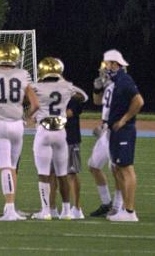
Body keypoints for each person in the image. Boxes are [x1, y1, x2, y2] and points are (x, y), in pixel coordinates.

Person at [0, 42, 39, 221]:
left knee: (4, 166)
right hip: (17, 125)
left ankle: (10, 210)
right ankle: (10, 206)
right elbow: (35, 104)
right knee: (12, 167)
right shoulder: (23, 74)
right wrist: (26, 118)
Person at [28, 57, 87, 219]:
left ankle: (46, 210)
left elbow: (26, 100)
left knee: (43, 173)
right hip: (61, 132)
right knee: (62, 173)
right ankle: (67, 211)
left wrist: (29, 116)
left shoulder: (35, 86)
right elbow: (84, 97)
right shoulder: (67, 86)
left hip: (43, 129)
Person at [102, 49, 143, 222]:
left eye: (108, 64)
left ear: (115, 64)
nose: (105, 68)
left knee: (126, 168)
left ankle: (130, 210)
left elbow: (139, 101)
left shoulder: (125, 80)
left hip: (124, 130)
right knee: (118, 168)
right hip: (116, 130)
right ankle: (125, 209)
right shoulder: (118, 80)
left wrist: (124, 119)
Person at [87, 61, 118, 217]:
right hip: (106, 130)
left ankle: (119, 206)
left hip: (115, 131)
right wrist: (97, 88)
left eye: (104, 71)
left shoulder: (121, 86)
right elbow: (97, 101)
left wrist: (110, 125)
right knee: (93, 165)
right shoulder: (109, 86)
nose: (102, 74)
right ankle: (107, 203)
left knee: (117, 169)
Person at [63, 88, 86, 218]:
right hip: (58, 138)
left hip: (70, 139)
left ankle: (77, 208)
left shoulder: (73, 97)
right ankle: (53, 208)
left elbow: (69, 113)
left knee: (71, 173)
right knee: (53, 174)